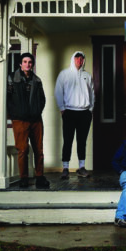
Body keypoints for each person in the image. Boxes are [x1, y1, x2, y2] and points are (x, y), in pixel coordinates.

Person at [7, 52, 50, 189]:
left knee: (39, 150)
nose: (27, 64)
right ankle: (23, 178)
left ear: (32, 64)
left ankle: (39, 177)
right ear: (20, 64)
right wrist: (15, 114)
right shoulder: (12, 78)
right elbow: (7, 99)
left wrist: (37, 111)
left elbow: (42, 99)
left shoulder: (37, 80)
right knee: (23, 150)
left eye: (30, 62)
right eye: (25, 62)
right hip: (20, 120)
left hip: (36, 120)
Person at [55, 51, 95, 179]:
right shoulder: (64, 74)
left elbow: (92, 93)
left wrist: (91, 109)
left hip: (84, 113)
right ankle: (65, 168)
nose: (79, 60)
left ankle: (81, 167)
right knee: (68, 140)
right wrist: (62, 108)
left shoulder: (87, 75)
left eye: (82, 58)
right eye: (77, 58)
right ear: (73, 59)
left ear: (84, 60)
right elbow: (58, 91)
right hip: (69, 112)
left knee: (82, 141)